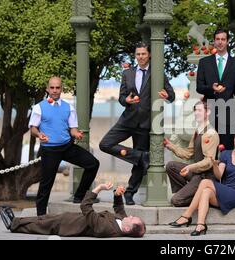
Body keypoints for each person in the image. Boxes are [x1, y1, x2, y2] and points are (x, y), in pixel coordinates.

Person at [99, 42, 175, 205]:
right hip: (127, 120)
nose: (140, 57)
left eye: (143, 54)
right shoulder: (128, 73)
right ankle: (141, 156)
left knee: (139, 166)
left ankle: (129, 192)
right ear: (135, 56)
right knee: (105, 144)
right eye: (138, 54)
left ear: (149, 55)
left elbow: (171, 95)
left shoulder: (157, 73)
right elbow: (122, 97)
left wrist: (166, 95)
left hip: (146, 123)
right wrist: (126, 100)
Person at [168, 130, 235, 236]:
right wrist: (214, 165)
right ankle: (201, 225)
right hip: (224, 191)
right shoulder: (226, 154)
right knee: (206, 191)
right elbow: (219, 175)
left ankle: (186, 216)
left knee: (205, 182)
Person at [29, 76, 100, 216]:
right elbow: (33, 128)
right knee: (46, 184)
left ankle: (79, 196)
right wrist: (39, 135)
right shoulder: (38, 108)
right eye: (52, 88)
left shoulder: (69, 108)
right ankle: (41, 216)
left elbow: (72, 129)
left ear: (61, 89)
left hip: (67, 147)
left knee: (93, 164)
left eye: (58, 88)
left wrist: (76, 134)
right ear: (47, 89)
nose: (55, 90)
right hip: (49, 150)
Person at [0, 183, 146, 238]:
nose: (131, 215)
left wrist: (98, 189)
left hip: (69, 226)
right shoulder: (122, 222)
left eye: (133, 219)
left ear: (127, 228)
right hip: (71, 218)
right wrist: (117, 195)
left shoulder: (107, 229)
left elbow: (86, 208)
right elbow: (119, 208)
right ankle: (15, 222)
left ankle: (13, 224)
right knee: (42, 220)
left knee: (40, 226)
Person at [196, 28, 235, 150]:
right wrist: (212, 89)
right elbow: (199, 87)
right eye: (218, 39)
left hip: (228, 112)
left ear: (227, 41)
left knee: (227, 150)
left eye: (223, 39)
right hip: (208, 113)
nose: (220, 42)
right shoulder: (204, 63)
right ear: (214, 41)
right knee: (208, 151)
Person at [164, 100, 219, 206]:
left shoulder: (210, 133)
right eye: (195, 110)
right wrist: (171, 146)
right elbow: (189, 153)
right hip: (196, 173)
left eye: (199, 110)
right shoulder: (197, 131)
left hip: (205, 177)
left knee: (176, 201)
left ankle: (198, 196)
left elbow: (208, 162)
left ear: (208, 112)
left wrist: (190, 167)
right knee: (171, 166)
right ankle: (186, 192)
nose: (196, 113)